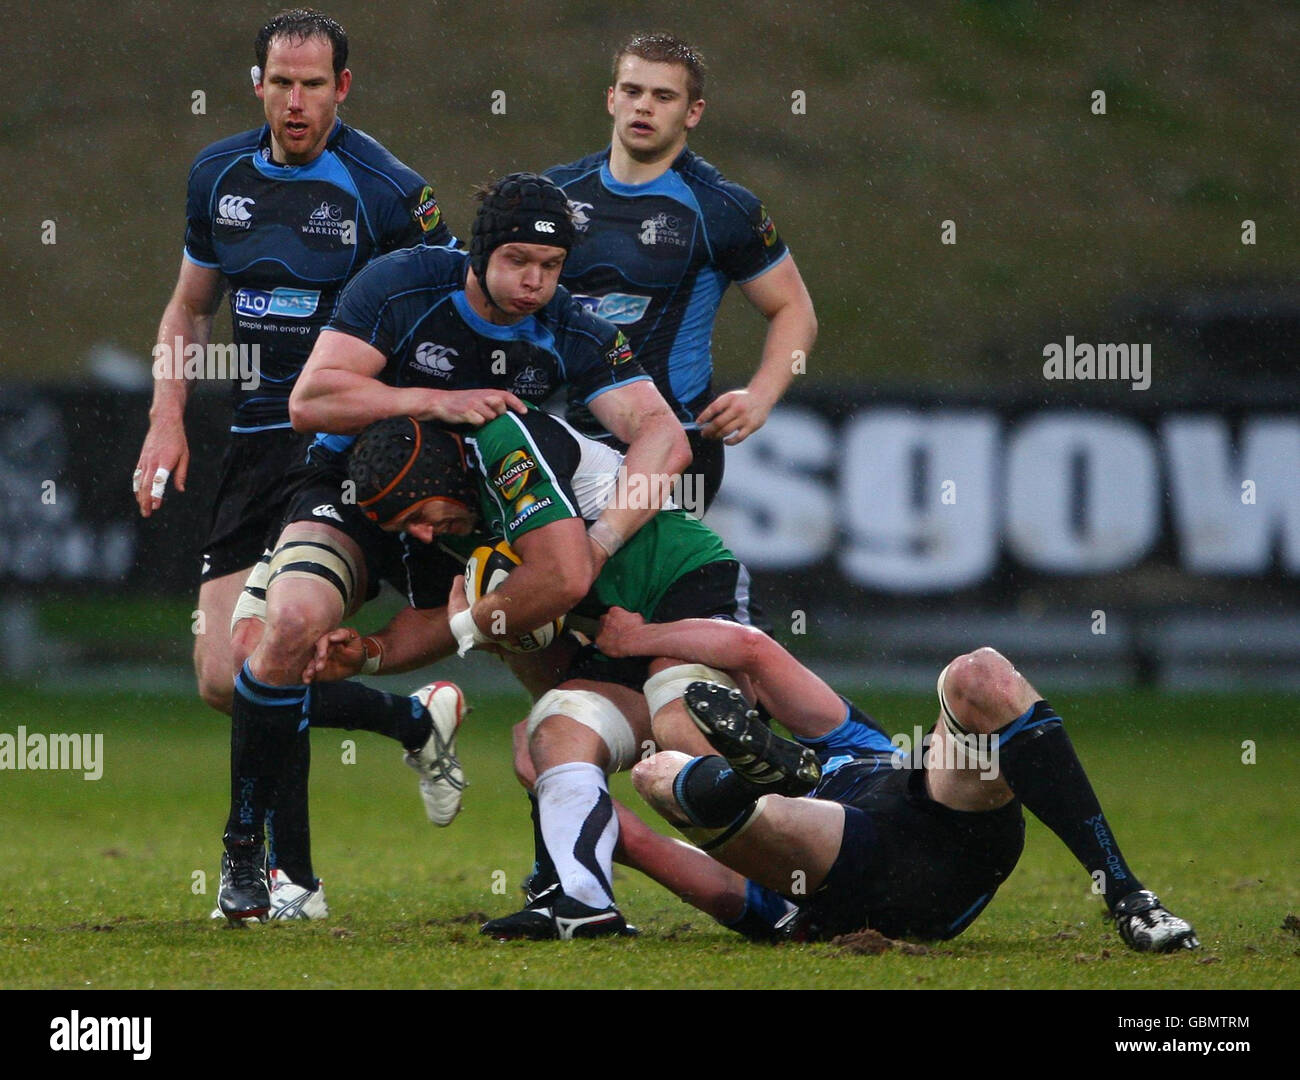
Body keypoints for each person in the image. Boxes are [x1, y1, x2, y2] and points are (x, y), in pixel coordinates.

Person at [214, 174, 690, 923]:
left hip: (468, 518)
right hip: (353, 488)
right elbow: (312, 400)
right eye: (516, 260)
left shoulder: (572, 326)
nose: (534, 282)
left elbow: (663, 435)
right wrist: (431, 401)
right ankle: (259, 862)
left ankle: (557, 877)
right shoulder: (402, 284)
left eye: (551, 265)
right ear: (478, 252)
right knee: (288, 632)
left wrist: (599, 542)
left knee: (558, 684)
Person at [130, 8, 456, 918]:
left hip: (342, 452)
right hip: (252, 442)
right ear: (257, 83)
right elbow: (190, 308)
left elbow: (437, 321)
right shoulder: (219, 175)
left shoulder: (388, 192)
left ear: (342, 89)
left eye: (314, 84)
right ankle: (408, 720)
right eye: (281, 82)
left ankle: (289, 879)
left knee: (269, 647)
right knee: (218, 680)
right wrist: (167, 418)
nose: (296, 100)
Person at [337, 408, 765, 938]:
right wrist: (367, 653)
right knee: (544, 737)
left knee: (682, 723)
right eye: (407, 528)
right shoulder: (450, 521)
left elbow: (562, 577)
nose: (422, 535)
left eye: (419, 516)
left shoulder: (503, 441)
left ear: (439, 475)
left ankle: (808, 854)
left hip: (687, 593)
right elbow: (437, 620)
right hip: (614, 640)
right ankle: (582, 901)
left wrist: (476, 624)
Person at [593, 609, 1201, 952]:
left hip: (950, 828)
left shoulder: (844, 742)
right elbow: (636, 840)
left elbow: (749, 647)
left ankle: (1129, 898)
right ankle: (747, 784)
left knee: (980, 674)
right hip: (862, 883)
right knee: (661, 778)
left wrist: (635, 639)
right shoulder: (756, 875)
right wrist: (564, 801)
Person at [546, 31, 817, 514]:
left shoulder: (722, 208)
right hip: (563, 435)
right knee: (560, 582)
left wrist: (760, 396)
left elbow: (793, 309)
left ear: (693, 112)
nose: (643, 107)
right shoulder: (553, 195)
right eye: (632, 91)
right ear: (612, 99)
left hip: (679, 446)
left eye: (663, 96)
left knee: (637, 587)